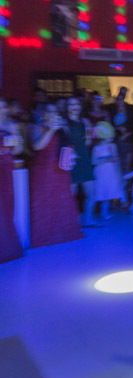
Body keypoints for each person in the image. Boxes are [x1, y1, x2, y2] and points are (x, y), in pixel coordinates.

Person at [29, 103, 82, 247]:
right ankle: (44, 235)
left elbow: (69, 144)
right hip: (43, 170)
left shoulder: (62, 127)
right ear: (43, 114)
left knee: (61, 199)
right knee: (44, 200)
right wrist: (51, 129)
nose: (52, 115)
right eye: (49, 112)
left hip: (60, 169)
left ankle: (63, 233)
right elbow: (36, 146)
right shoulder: (36, 127)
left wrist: (71, 155)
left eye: (55, 112)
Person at [65, 96, 98, 227]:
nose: (75, 106)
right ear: (67, 107)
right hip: (70, 159)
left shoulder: (85, 121)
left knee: (91, 193)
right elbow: (62, 141)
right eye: (71, 104)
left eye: (77, 104)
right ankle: (70, 222)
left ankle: (88, 220)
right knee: (71, 194)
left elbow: (89, 142)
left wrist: (92, 133)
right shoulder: (64, 122)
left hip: (84, 158)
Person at [0, 95, 24, 263]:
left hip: (7, 167)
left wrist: (17, 139)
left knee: (7, 205)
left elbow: (19, 149)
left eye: (3, 107)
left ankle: (8, 247)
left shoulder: (11, 125)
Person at [91, 122, 126, 219]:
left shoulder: (113, 146)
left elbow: (116, 160)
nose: (111, 138)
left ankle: (105, 212)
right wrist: (107, 159)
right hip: (101, 172)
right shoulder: (96, 147)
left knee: (109, 191)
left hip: (111, 172)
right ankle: (99, 212)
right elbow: (94, 161)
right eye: (109, 136)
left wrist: (119, 173)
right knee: (102, 191)